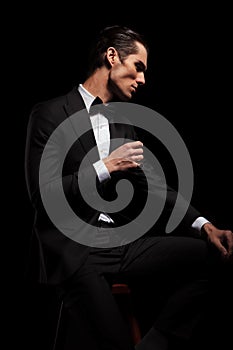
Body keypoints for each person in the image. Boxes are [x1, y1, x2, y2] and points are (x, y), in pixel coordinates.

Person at [24, 25, 233, 350]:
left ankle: (155, 343)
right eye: (138, 67)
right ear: (111, 56)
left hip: (119, 244)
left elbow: (155, 187)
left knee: (212, 256)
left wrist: (203, 225)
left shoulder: (122, 124)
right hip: (76, 253)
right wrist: (104, 167)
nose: (143, 79)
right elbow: (43, 195)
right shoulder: (50, 114)